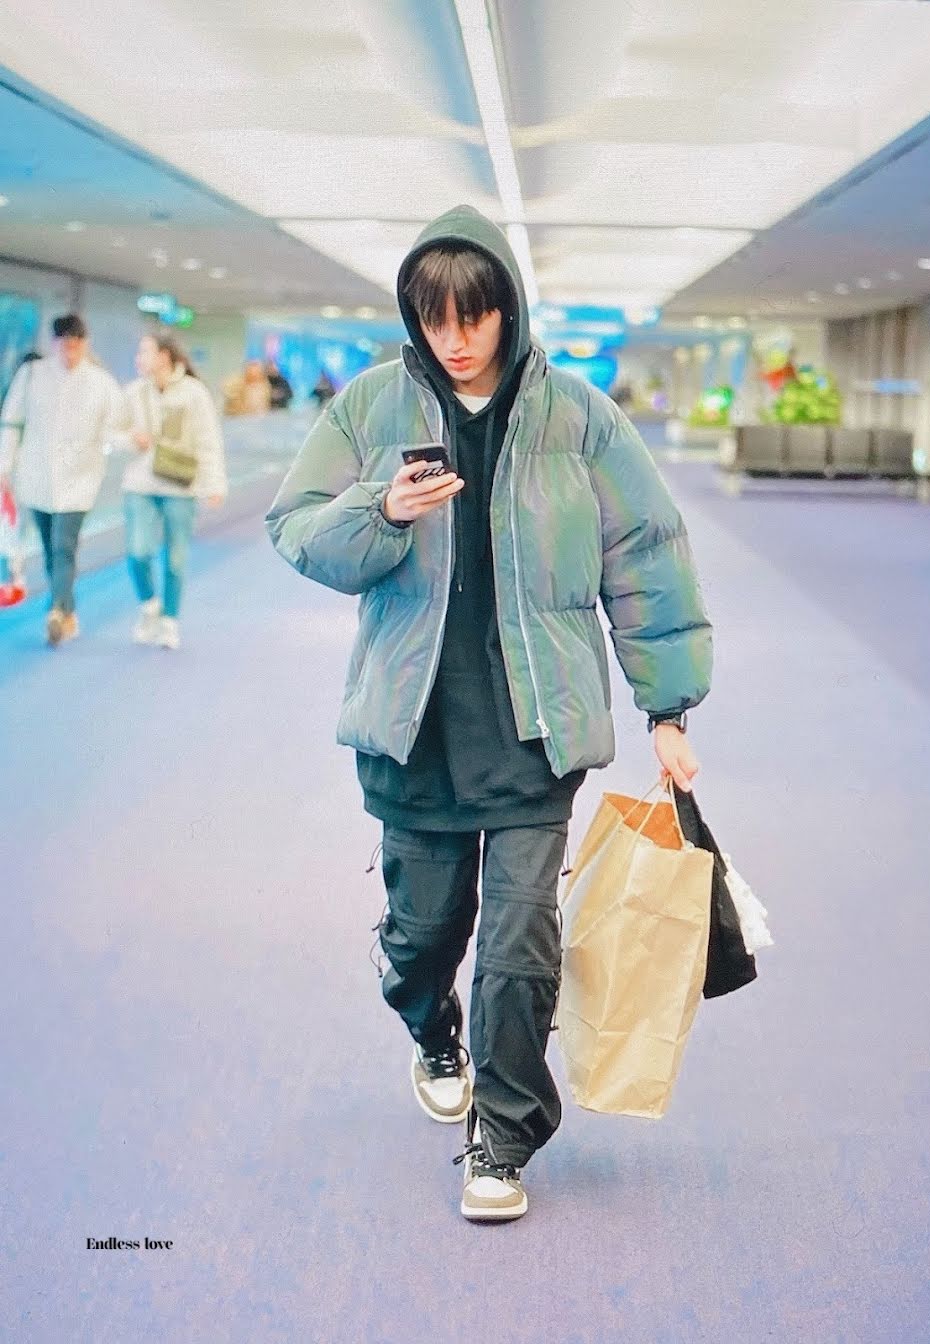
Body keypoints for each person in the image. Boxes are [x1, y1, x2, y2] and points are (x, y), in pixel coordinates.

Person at [266, 206, 712, 1223]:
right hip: (414, 729)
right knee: (422, 936)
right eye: (435, 319)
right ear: (413, 317)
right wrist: (380, 511)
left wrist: (668, 707)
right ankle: (433, 1033)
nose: (456, 339)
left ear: (509, 308)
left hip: (532, 730)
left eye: (474, 316)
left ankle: (502, 1136)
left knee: (519, 948)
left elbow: (645, 554)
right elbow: (296, 530)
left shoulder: (580, 418)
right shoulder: (369, 407)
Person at [0, 313, 122, 646]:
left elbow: (115, 426)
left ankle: (55, 610)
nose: (70, 350)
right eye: (64, 343)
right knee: (50, 547)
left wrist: (127, 441)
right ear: (54, 343)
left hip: (80, 479)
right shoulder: (32, 375)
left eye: (76, 344)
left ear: (85, 344)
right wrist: (4, 467)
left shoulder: (100, 382)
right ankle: (67, 611)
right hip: (37, 477)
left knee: (63, 545)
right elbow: (11, 422)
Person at [120, 334, 227, 650]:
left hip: (181, 486)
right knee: (138, 552)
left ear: (164, 356)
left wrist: (214, 483)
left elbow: (209, 440)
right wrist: (130, 440)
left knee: (176, 559)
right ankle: (150, 605)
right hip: (140, 483)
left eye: (145, 351)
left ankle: (169, 621)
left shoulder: (194, 393)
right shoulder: (134, 392)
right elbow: (112, 432)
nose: (139, 357)